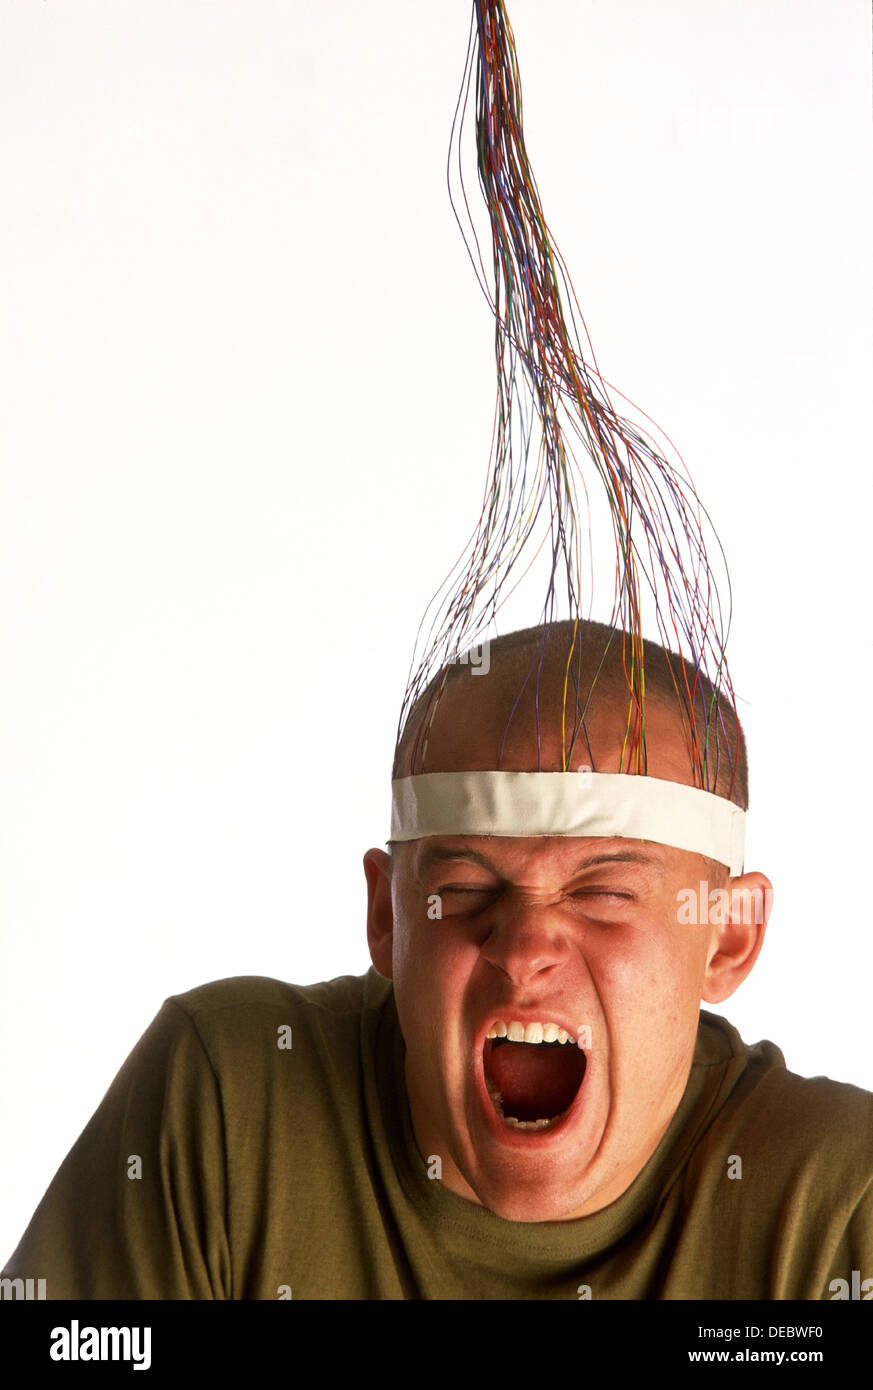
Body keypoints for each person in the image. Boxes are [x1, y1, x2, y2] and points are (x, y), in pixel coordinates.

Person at [2, 620, 871, 1299]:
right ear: (386, 917)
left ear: (727, 934)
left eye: (603, 892)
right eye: (464, 887)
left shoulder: (837, 1203)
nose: (526, 947)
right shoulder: (231, 1100)